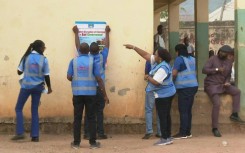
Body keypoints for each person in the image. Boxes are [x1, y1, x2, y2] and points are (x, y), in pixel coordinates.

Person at [124, 44, 176, 146]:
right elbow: (145, 55)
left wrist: (148, 77)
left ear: (159, 58)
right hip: (167, 93)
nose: (153, 55)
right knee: (166, 115)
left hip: (164, 95)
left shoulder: (163, 68)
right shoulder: (160, 62)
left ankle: (165, 138)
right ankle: (168, 136)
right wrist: (134, 47)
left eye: (155, 54)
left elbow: (156, 82)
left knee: (163, 116)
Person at [68, 26, 109, 149]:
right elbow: (98, 78)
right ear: (88, 51)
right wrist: (105, 93)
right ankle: (93, 143)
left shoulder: (73, 61)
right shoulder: (94, 61)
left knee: (77, 117)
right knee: (92, 117)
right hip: (91, 94)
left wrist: (76, 33)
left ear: (80, 50)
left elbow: (69, 77)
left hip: (77, 93)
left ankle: (76, 143)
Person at [11, 40, 52, 142]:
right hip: (38, 87)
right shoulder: (44, 59)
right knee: (34, 110)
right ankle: (35, 136)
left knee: (18, 108)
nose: (44, 49)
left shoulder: (26, 57)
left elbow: (19, 71)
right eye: (44, 47)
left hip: (26, 86)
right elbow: (46, 75)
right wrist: (49, 87)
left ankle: (20, 132)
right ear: (40, 48)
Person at [202, 45, 244, 137]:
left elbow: (228, 75)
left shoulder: (229, 62)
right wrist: (216, 69)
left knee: (237, 92)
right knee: (217, 103)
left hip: (223, 85)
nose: (221, 53)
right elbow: (204, 70)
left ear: (227, 54)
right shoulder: (213, 59)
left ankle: (234, 114)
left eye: (224, 52)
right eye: (221, 51)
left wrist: (227, 82)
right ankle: (215, 128)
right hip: (211, 85)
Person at [83, 25, 111, 140]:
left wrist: (76, 33)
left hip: (89, 89)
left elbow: (77, 46)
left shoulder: (86, 58)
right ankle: (100, 133)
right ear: (99, 49)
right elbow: (108, 45)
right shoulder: (102, 57)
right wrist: (107, 32)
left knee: (88, 111)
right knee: (99, 111)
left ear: (89, 50)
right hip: (99, 89)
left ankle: (87, 133)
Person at [171, 44, 198, 139]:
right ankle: (187, 132)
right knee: (188, 110)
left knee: (183, 110)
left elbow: (174, 73)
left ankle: (182, 133)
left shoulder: (179, 59)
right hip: (193, 86)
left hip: (184, 88)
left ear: (177, 51)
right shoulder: (192, 59)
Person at [142, 55, 161, 139]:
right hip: (161, 90)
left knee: (149, 110)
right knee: (160, 110)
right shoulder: (164, 63)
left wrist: (149, 77)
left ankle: (149, 131)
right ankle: (160, 132)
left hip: (151, 89)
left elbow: (145, 76)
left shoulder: (149, 61)